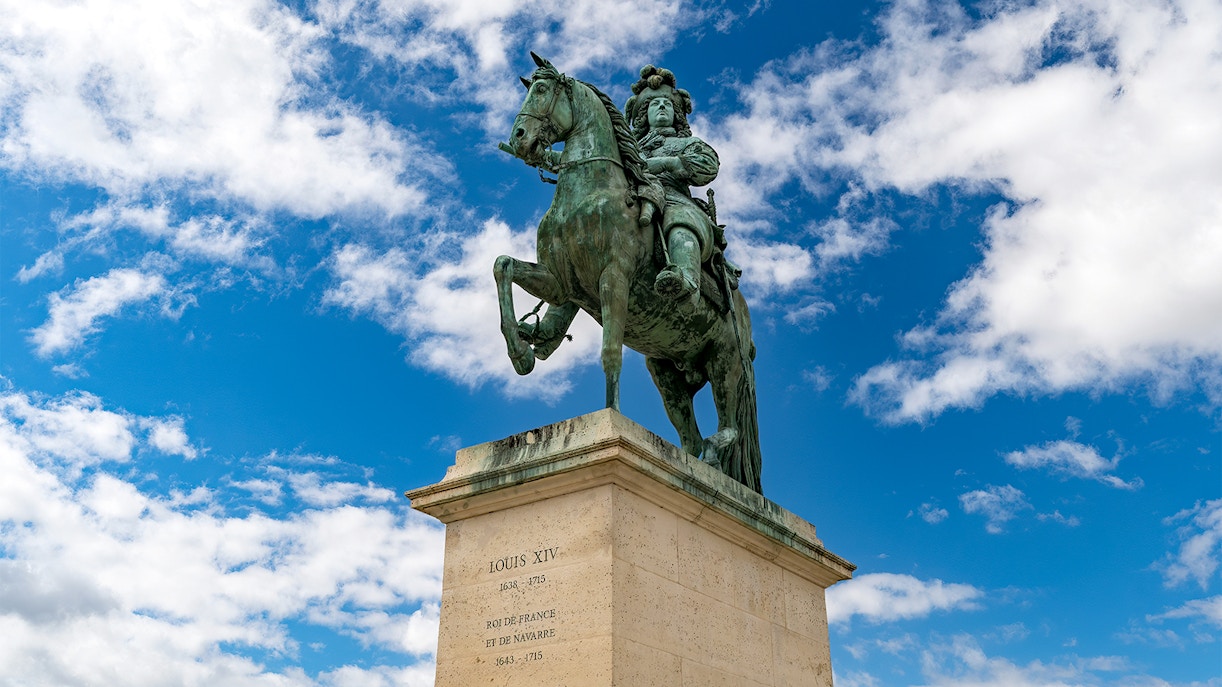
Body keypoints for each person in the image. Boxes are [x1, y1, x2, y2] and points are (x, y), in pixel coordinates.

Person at [625, 66, 722, 301]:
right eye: (654, 104)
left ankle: (686, 281)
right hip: (629, 197)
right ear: (644, 114)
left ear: (676, 113)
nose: (661, 107)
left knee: (679, 221)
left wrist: (666, 163)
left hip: (674, 200)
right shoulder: (627, 148)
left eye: (667, 104)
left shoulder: (687, 143)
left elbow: (708, 165)